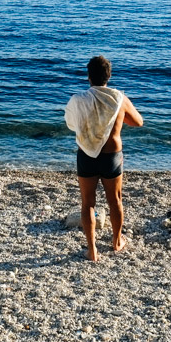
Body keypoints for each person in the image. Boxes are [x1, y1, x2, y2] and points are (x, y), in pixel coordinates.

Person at [64, 55, 143, 261]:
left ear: (88, 77)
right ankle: (116, 242)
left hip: (87, 155)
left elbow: (71, 124)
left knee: (88, 203)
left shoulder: (78, 99)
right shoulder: (119, 98)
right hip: (111, 156)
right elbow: (138, 122)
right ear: (109, 76)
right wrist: (118, 116)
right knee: (115, 201)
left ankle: (92, 251)